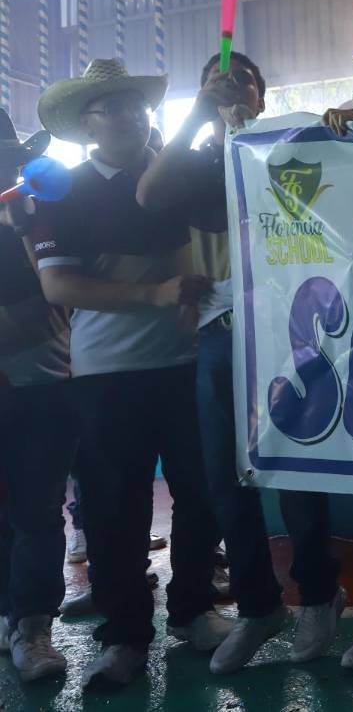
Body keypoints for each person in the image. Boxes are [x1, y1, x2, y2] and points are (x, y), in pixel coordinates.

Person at [137, 50, 353, 671]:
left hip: (288, 328)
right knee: (225, 478)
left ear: (264, 95)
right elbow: (150, 192)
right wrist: (199, 112)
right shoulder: (197, 165)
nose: (225, 84)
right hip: (220, 335)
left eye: (242, 77)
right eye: (212, 78)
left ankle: (319, 596)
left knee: (292, 467)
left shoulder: (293, 146)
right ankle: (257, 606)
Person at [31, 60, 229, 688]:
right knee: (116, 511)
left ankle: (194, 610)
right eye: (107, 108)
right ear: (85, 126)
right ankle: (125, 636)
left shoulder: (180, 175)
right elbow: (57, 282)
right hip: (106, 374)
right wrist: (155, 295)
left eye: (133, 105)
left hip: (190, 363)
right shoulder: (62, 191)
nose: (126, 115)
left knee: (203, 495)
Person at [0, 117, 75, 681]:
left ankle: (32, 627)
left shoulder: (38, 208)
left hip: (41, 381)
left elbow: (59, 297)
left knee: (37, 509)